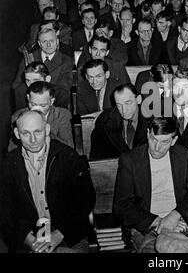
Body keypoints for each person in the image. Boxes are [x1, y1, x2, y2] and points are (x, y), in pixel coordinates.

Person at [2, 110, 95, 253]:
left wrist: (58, 234)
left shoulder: (68, 157)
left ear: (47, 129)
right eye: (25, 133)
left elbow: (85, 202)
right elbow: (6, 211)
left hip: (68, 236)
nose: (32, 140)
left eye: (37, 132)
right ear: (16, 133)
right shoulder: (9, 164)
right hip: (28, 238)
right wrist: (31, 241)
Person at [113, 116, 188, 253]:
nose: (157, 147)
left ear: (174, 141)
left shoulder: (184, 157)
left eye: (164, 142)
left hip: (179, 224)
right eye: (154, 139)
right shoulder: (130, 160)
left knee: (176, 250)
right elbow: (121, 206)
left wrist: (175, 215)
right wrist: (157, 222)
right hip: (145, 226)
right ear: (148, 134)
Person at [90, 83, 148, 159]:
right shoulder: (105, 120)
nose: (124, 110)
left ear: (138, 99)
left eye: (128, 103)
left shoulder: (151, 119)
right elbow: (97, 157)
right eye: (119, 105)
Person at [10, 81, 74, 150]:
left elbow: (68, 146)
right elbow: (12, 148)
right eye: (33, 104)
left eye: (43, 105)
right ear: (28, 98)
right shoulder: (18, 116)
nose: (37, 109)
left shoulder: (62, 115)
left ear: (51, 101)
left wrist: (44, 130)